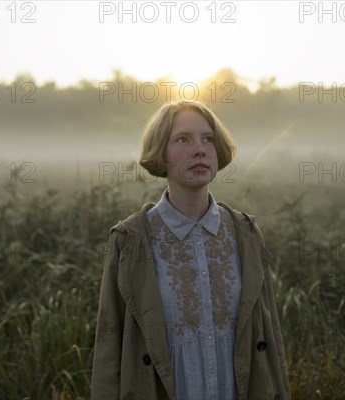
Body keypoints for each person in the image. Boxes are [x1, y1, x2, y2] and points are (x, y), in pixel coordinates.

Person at [90, 100, 291, 400]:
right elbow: (109, 350)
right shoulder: (130, 240)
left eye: (207, 139)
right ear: (161, 151)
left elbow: (270, 340)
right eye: (183, 139)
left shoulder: (245, 234)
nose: (199, 149)